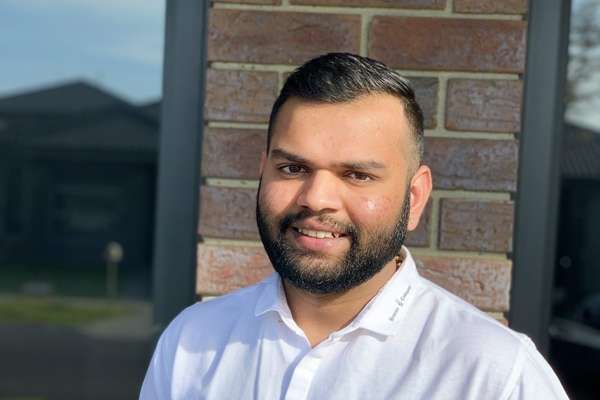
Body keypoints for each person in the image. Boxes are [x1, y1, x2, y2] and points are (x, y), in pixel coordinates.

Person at [140, 53, 568, 399]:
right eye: (292, 167)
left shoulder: (495, 376)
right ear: (263, 173)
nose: (316, 198)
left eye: (357, 175)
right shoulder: (191, 341)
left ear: (414, 197)